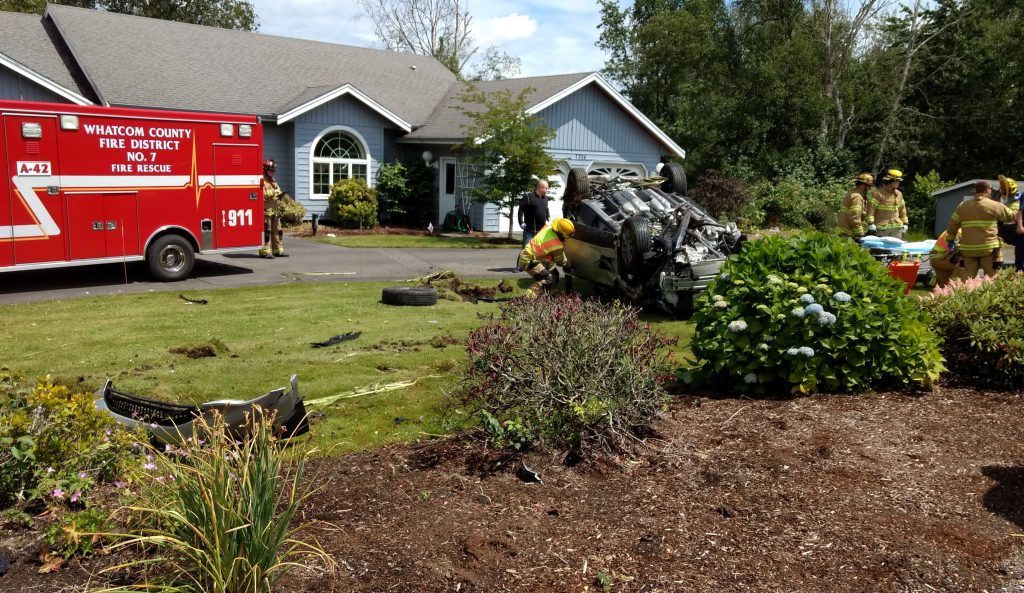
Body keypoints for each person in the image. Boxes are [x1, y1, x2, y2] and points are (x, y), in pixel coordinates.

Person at [945, 179, 1015, 278]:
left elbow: (952, 225)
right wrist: (1005, 203)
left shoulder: (962, 206)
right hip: (989, 248)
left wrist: (950, 240)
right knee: (992, 276)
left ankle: (967, 293)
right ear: (987, 189)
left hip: (968, 249)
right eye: (991, 188)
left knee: (968, 277)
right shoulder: (995, 205)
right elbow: (1011, 217)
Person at [517, 217, 574, 296]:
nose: (565, 238)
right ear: (560, 233)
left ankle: (545, 295)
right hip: (529, 259)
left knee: (555, 275)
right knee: (547, 279)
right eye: (565, 236)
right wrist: (569, 264)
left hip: (534, 256)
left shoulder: (548, 228)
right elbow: (560, 261)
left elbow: (545, 251)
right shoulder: (556, 244)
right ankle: (528, 298)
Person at [516, 180, 550, 271]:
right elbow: (521, 210)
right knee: (525, 249)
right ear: (540, 188)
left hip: (541, 230)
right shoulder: (528, 197)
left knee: (541, 250)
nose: (547, 190)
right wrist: (521, 221)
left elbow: (546, 209)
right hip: (529, 230)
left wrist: (548, 218)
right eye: (546, 188)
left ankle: (541, 267)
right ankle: (519, 266)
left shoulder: (545, 198)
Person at [866, 169, 908, 238]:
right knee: (880, 249)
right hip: (881, 228)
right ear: (891, 181)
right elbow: (871, 210)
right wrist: (871, 224)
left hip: (897, 229)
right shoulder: (878, 194)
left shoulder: (899, 194)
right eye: (897, 181)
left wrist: (905, 223)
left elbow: (902, 210)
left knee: (895, 249)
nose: (899, 183)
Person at [258, 158, 287, 258]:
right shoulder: (262, 180)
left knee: (278, 231)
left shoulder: (273, 180)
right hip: (266, 211)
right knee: (266, 232)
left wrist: (280, 195)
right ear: (265, 169)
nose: (272, 172)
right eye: (271, 170)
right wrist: (274, 193)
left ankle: (278, 251)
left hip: (275, 210)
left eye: (273, 170)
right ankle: (264, 252)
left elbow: (277, 190)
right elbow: (260, 194)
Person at [838, 172, 873, 239]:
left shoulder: (853, 192)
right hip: (848, 233)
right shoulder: (858, 197)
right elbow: (855, 217)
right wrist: (860, 234)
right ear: (864, 185)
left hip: (842, 230)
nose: (869, 189)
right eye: (869, 186)